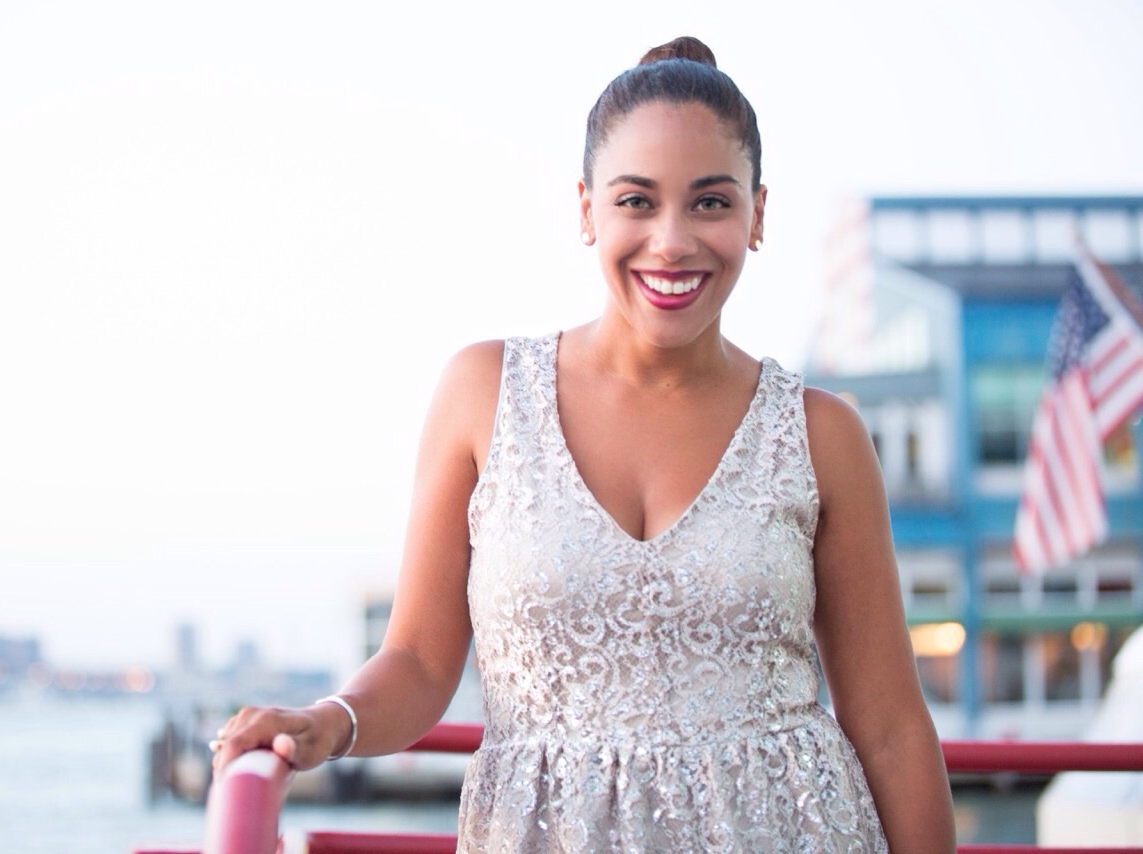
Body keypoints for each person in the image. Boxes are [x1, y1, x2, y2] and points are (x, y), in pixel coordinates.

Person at [212, 36, 956, 851]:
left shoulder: (822, 433)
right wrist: (330, 721)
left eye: (711, 202)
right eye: (637, 201)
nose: (672, 240)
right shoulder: (483, 394)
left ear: (758, 214)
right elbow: (422, 663)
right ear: (585, 209)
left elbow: (888, 727)